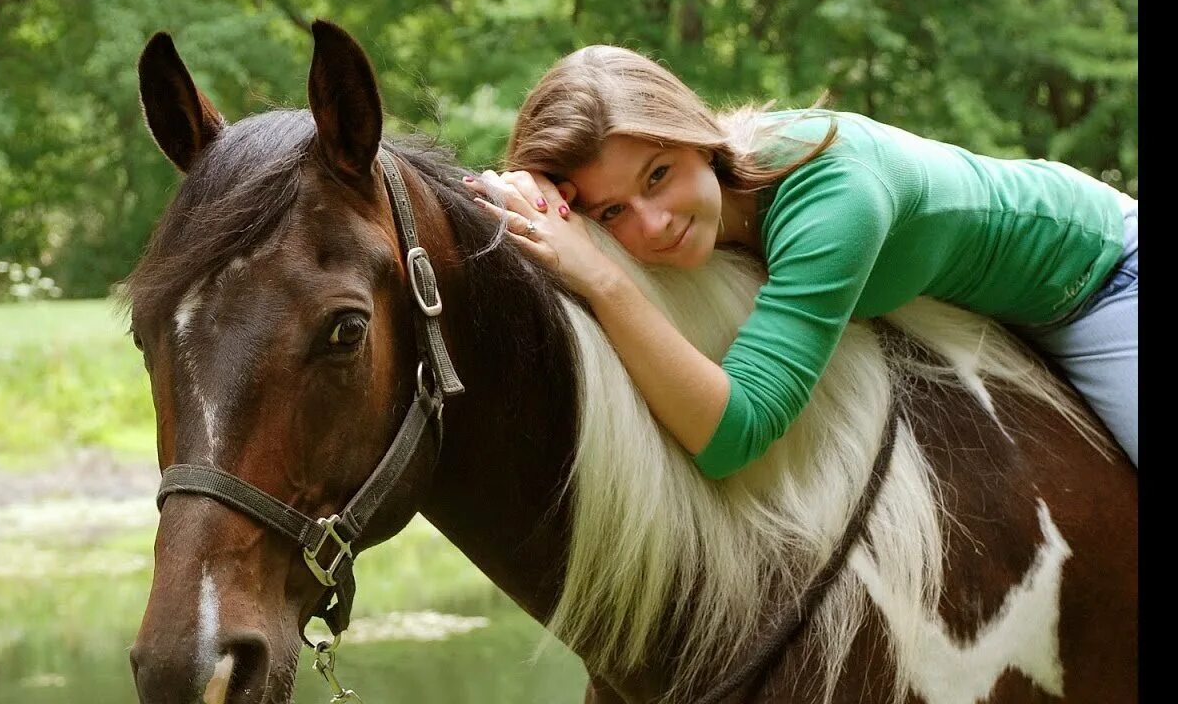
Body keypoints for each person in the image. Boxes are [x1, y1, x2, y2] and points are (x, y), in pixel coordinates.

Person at [463, 45, 1138, 476]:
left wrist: (602, 275)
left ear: (698, 138)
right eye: (609, 214)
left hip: (1101, 277)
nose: (652, 225)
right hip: (991, 313)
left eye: (658, 174)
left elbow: (735, 433)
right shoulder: (705, 210)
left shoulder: (834, 200)